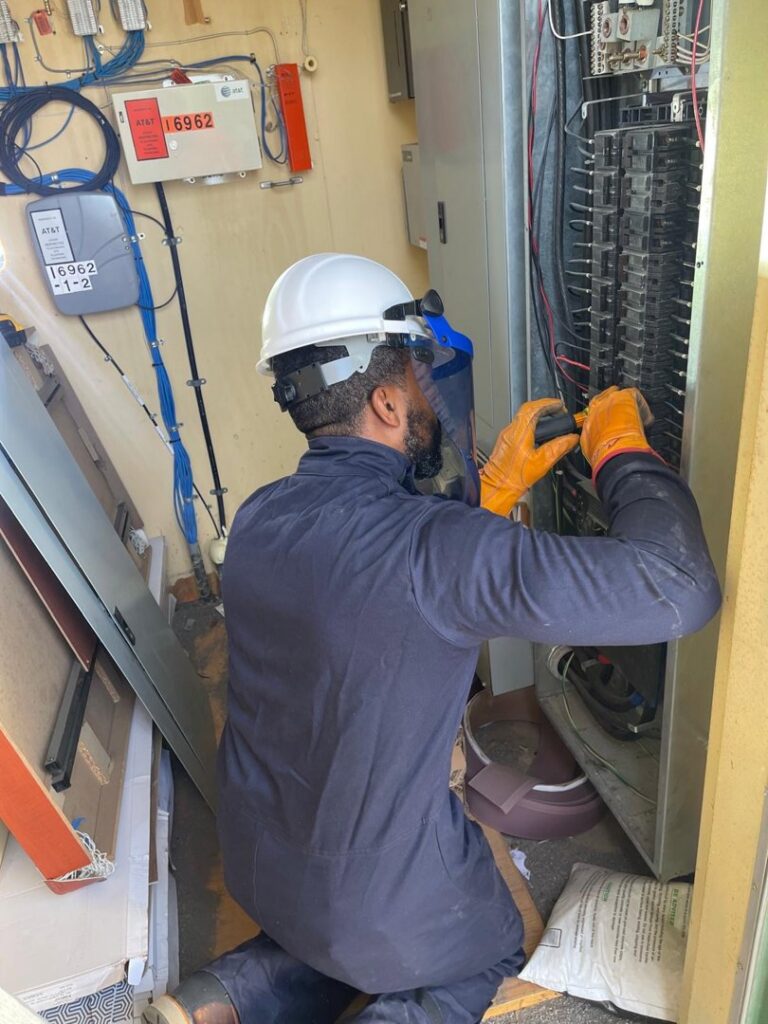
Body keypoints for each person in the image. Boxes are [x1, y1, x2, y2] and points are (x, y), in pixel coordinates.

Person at [145, 254, 720, 1024]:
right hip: (367, 902)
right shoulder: (437, 550)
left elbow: (377, 577)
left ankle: (221, 1000)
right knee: (480, 947)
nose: (429, 393)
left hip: (257, 864)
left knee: (344, 926)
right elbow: (675, 586)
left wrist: (493, 491)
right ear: (386, 402)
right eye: (418, 376)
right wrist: (623, 452)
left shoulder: (259, 517)